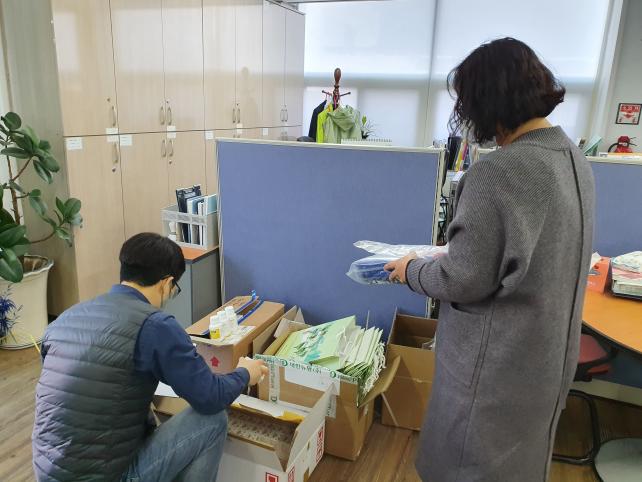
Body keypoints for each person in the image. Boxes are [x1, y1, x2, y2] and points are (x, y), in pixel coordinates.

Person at [385, 38, 594, 482]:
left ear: (489, 100)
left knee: (467, 465)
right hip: (545, 358)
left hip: (494, 368)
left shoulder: (500, 172)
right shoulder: (571, 157)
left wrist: (411, 270)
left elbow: (463, 279)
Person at [32, 233, 268, 481]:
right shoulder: (155, 325)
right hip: (108, 477)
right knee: (212, 420)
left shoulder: (65, 319)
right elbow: (209, 397)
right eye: (174, 290)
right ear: (166, 283)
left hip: (48, 471)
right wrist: (245, 373)